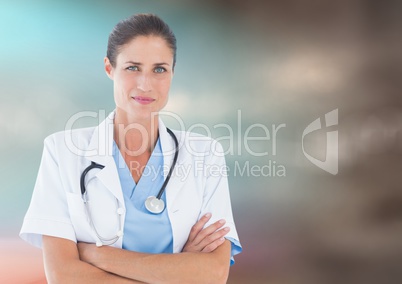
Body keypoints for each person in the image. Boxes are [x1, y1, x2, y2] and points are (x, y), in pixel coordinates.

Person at [20, 13, 241, 283]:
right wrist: (177, 269)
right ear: (109, 68)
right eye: (132, 68)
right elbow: (63, 276)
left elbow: (213, 274)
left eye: (159, 69)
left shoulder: (206, 154)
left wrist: (94, 255)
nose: (145, 84)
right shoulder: (62, 151)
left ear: (172, 73)